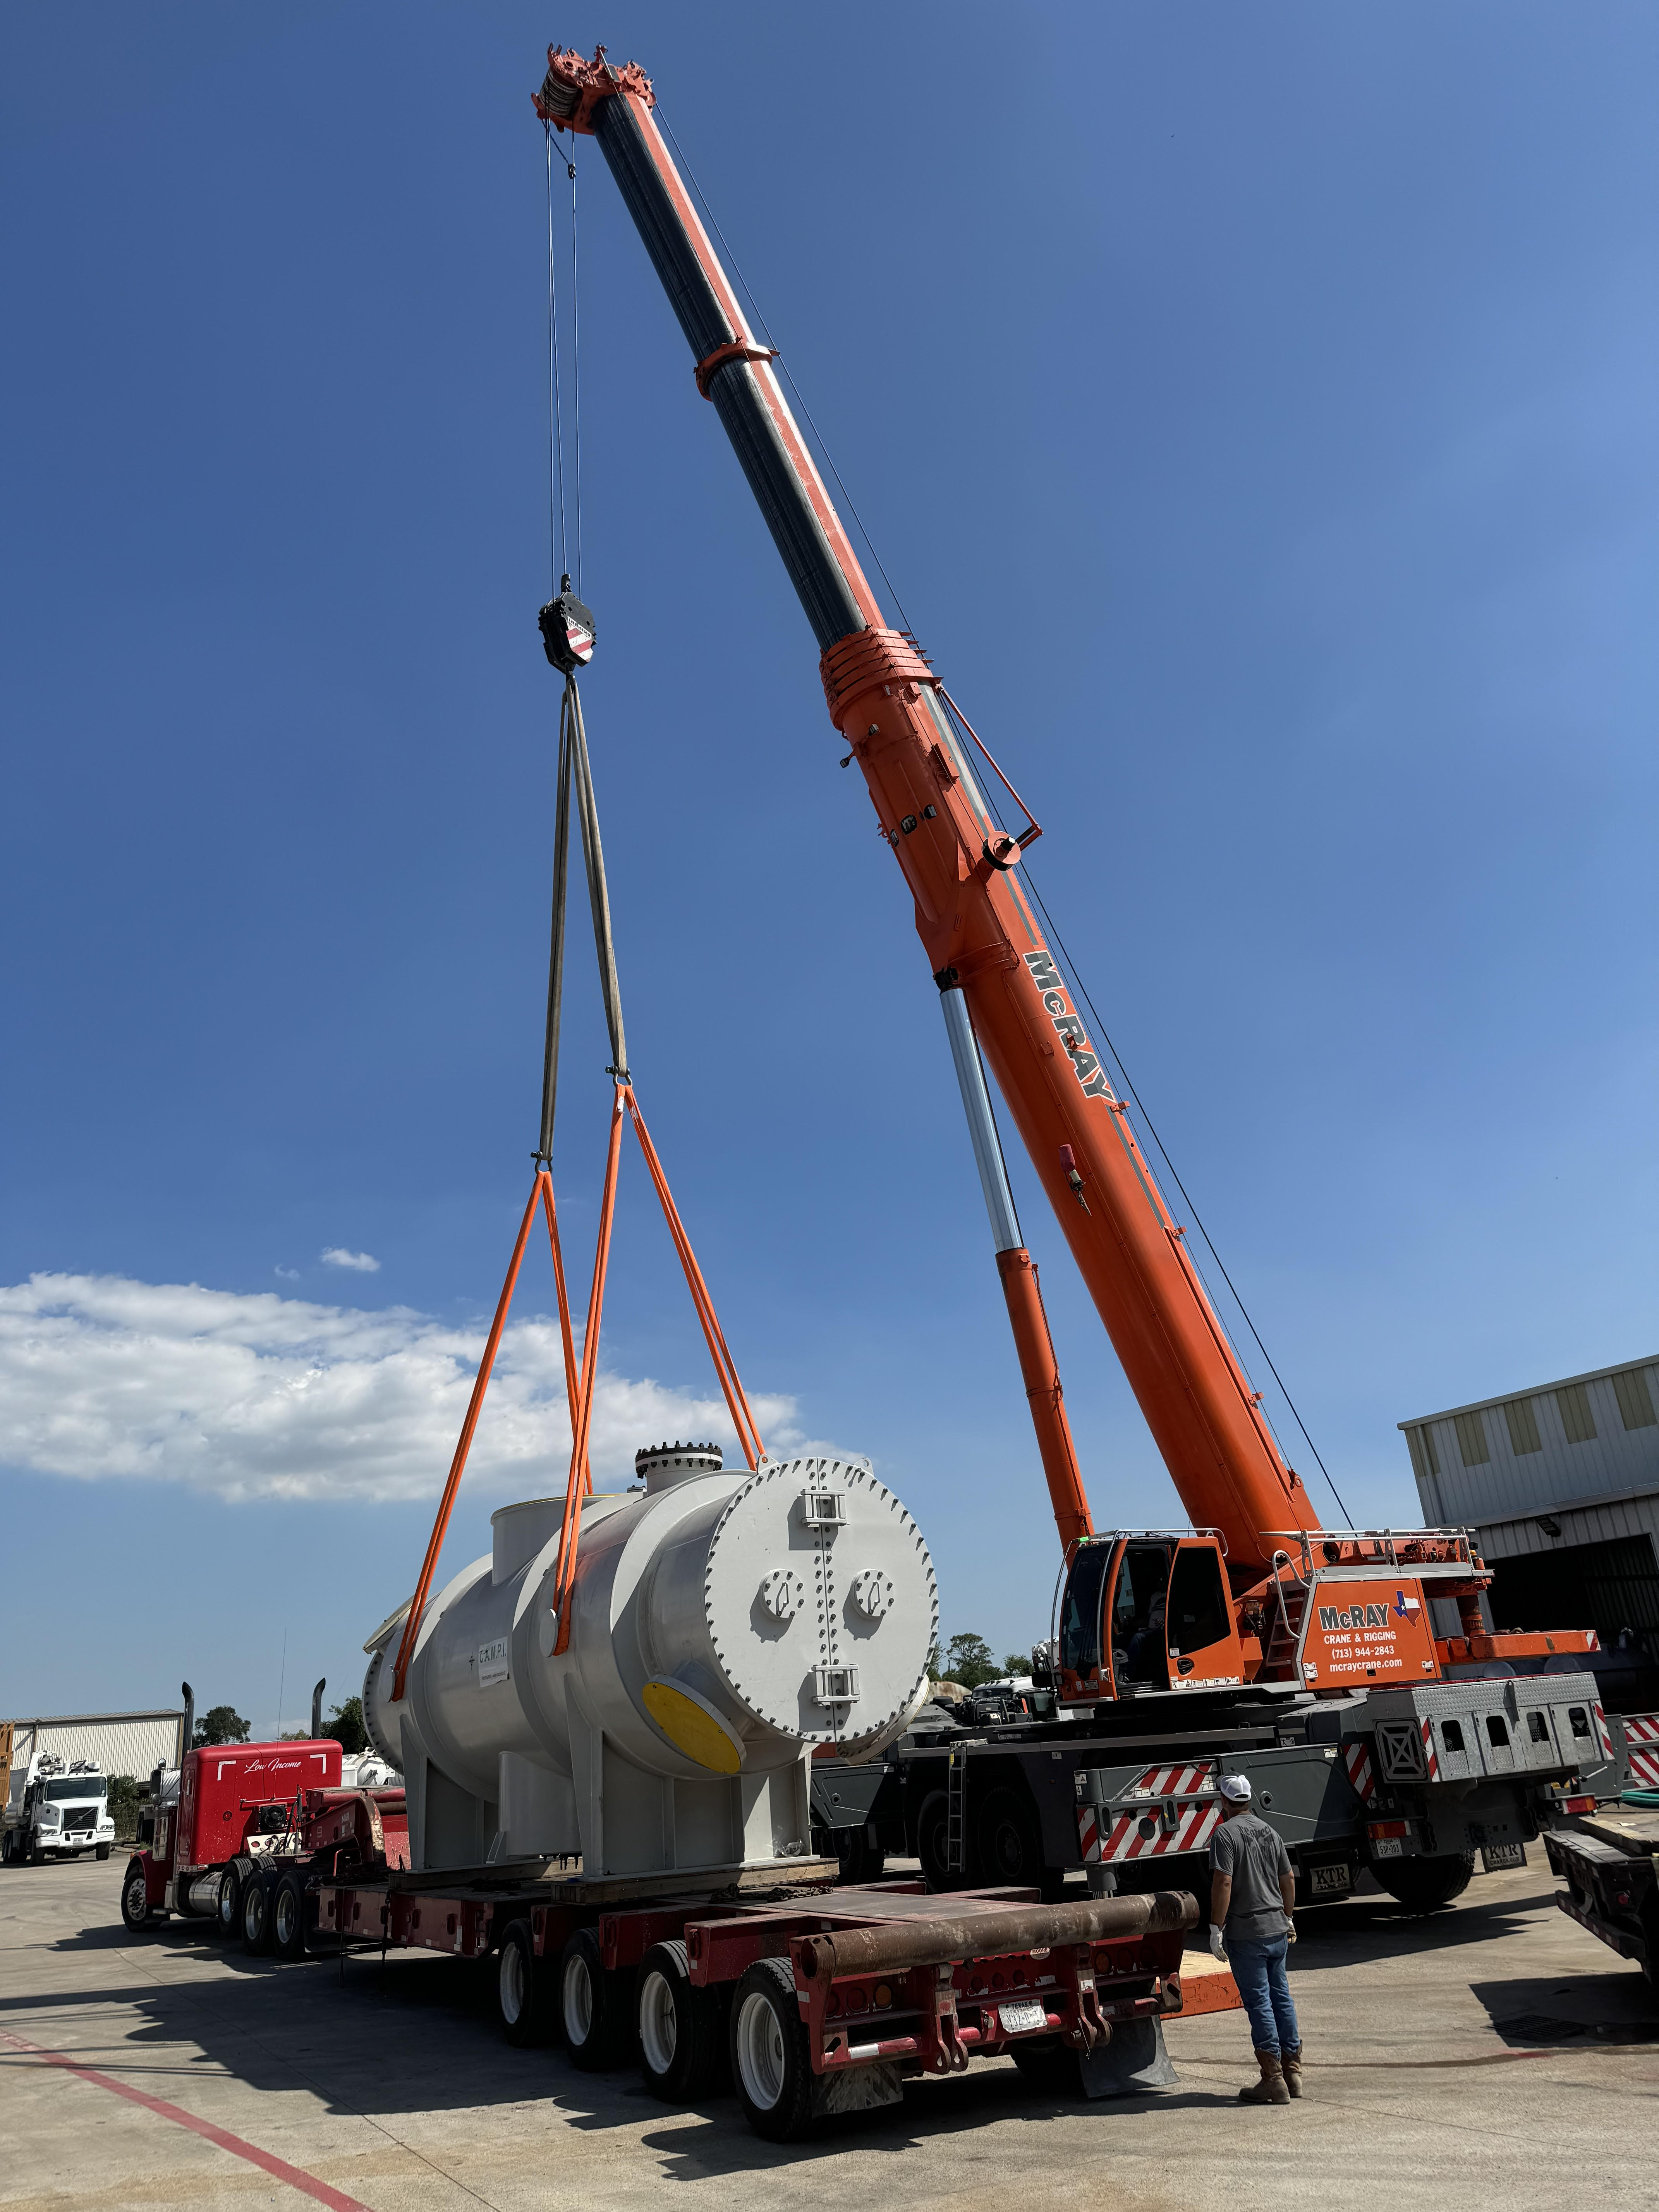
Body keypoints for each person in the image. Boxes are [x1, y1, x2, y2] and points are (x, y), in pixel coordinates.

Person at [1207, 1772, 1301, 2104]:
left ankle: (1273, 2078)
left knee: (1260, 2003)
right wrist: (1288, 1917)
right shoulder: (1270, 1831)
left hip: (1248, 1934)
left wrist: (1216, 1928)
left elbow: (1224, 1883)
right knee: (1282, 1999)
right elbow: (1288, 1877)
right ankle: (1293, 2073)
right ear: (1248, 1801)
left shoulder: (1225, 1835)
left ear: (1225, 1803)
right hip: (1277, 1929)